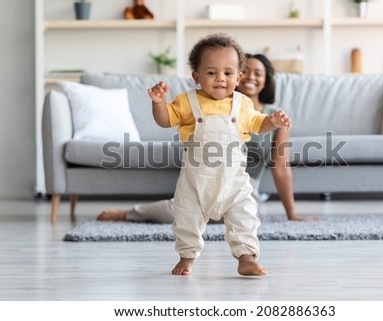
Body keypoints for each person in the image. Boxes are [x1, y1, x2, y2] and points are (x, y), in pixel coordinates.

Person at [97, 54, 319, 223]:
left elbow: (281, 168)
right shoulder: (211, 105)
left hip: (243, 183)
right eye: (247, 71)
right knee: (185, 211)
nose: (252, 77)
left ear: (266, 80)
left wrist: (292, 213)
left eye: (258, 73)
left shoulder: (275, 116)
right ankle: (128, 214)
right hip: (205, 174)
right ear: (236, 76)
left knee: (240, 215)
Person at [151, 33, 291, 276]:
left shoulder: (242, 104)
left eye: (228, 73)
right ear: (196, 76)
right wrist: (158, 103)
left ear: (238, 77)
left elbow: (259, 125)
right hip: (195, 182)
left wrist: (273, 121)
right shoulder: (187, 102)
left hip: (233, 182)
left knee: (244, 218)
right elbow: (165, 121)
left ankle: (246, 258)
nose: (220, 79)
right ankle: (187, 257)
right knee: (186, 221)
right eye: (211, 72)